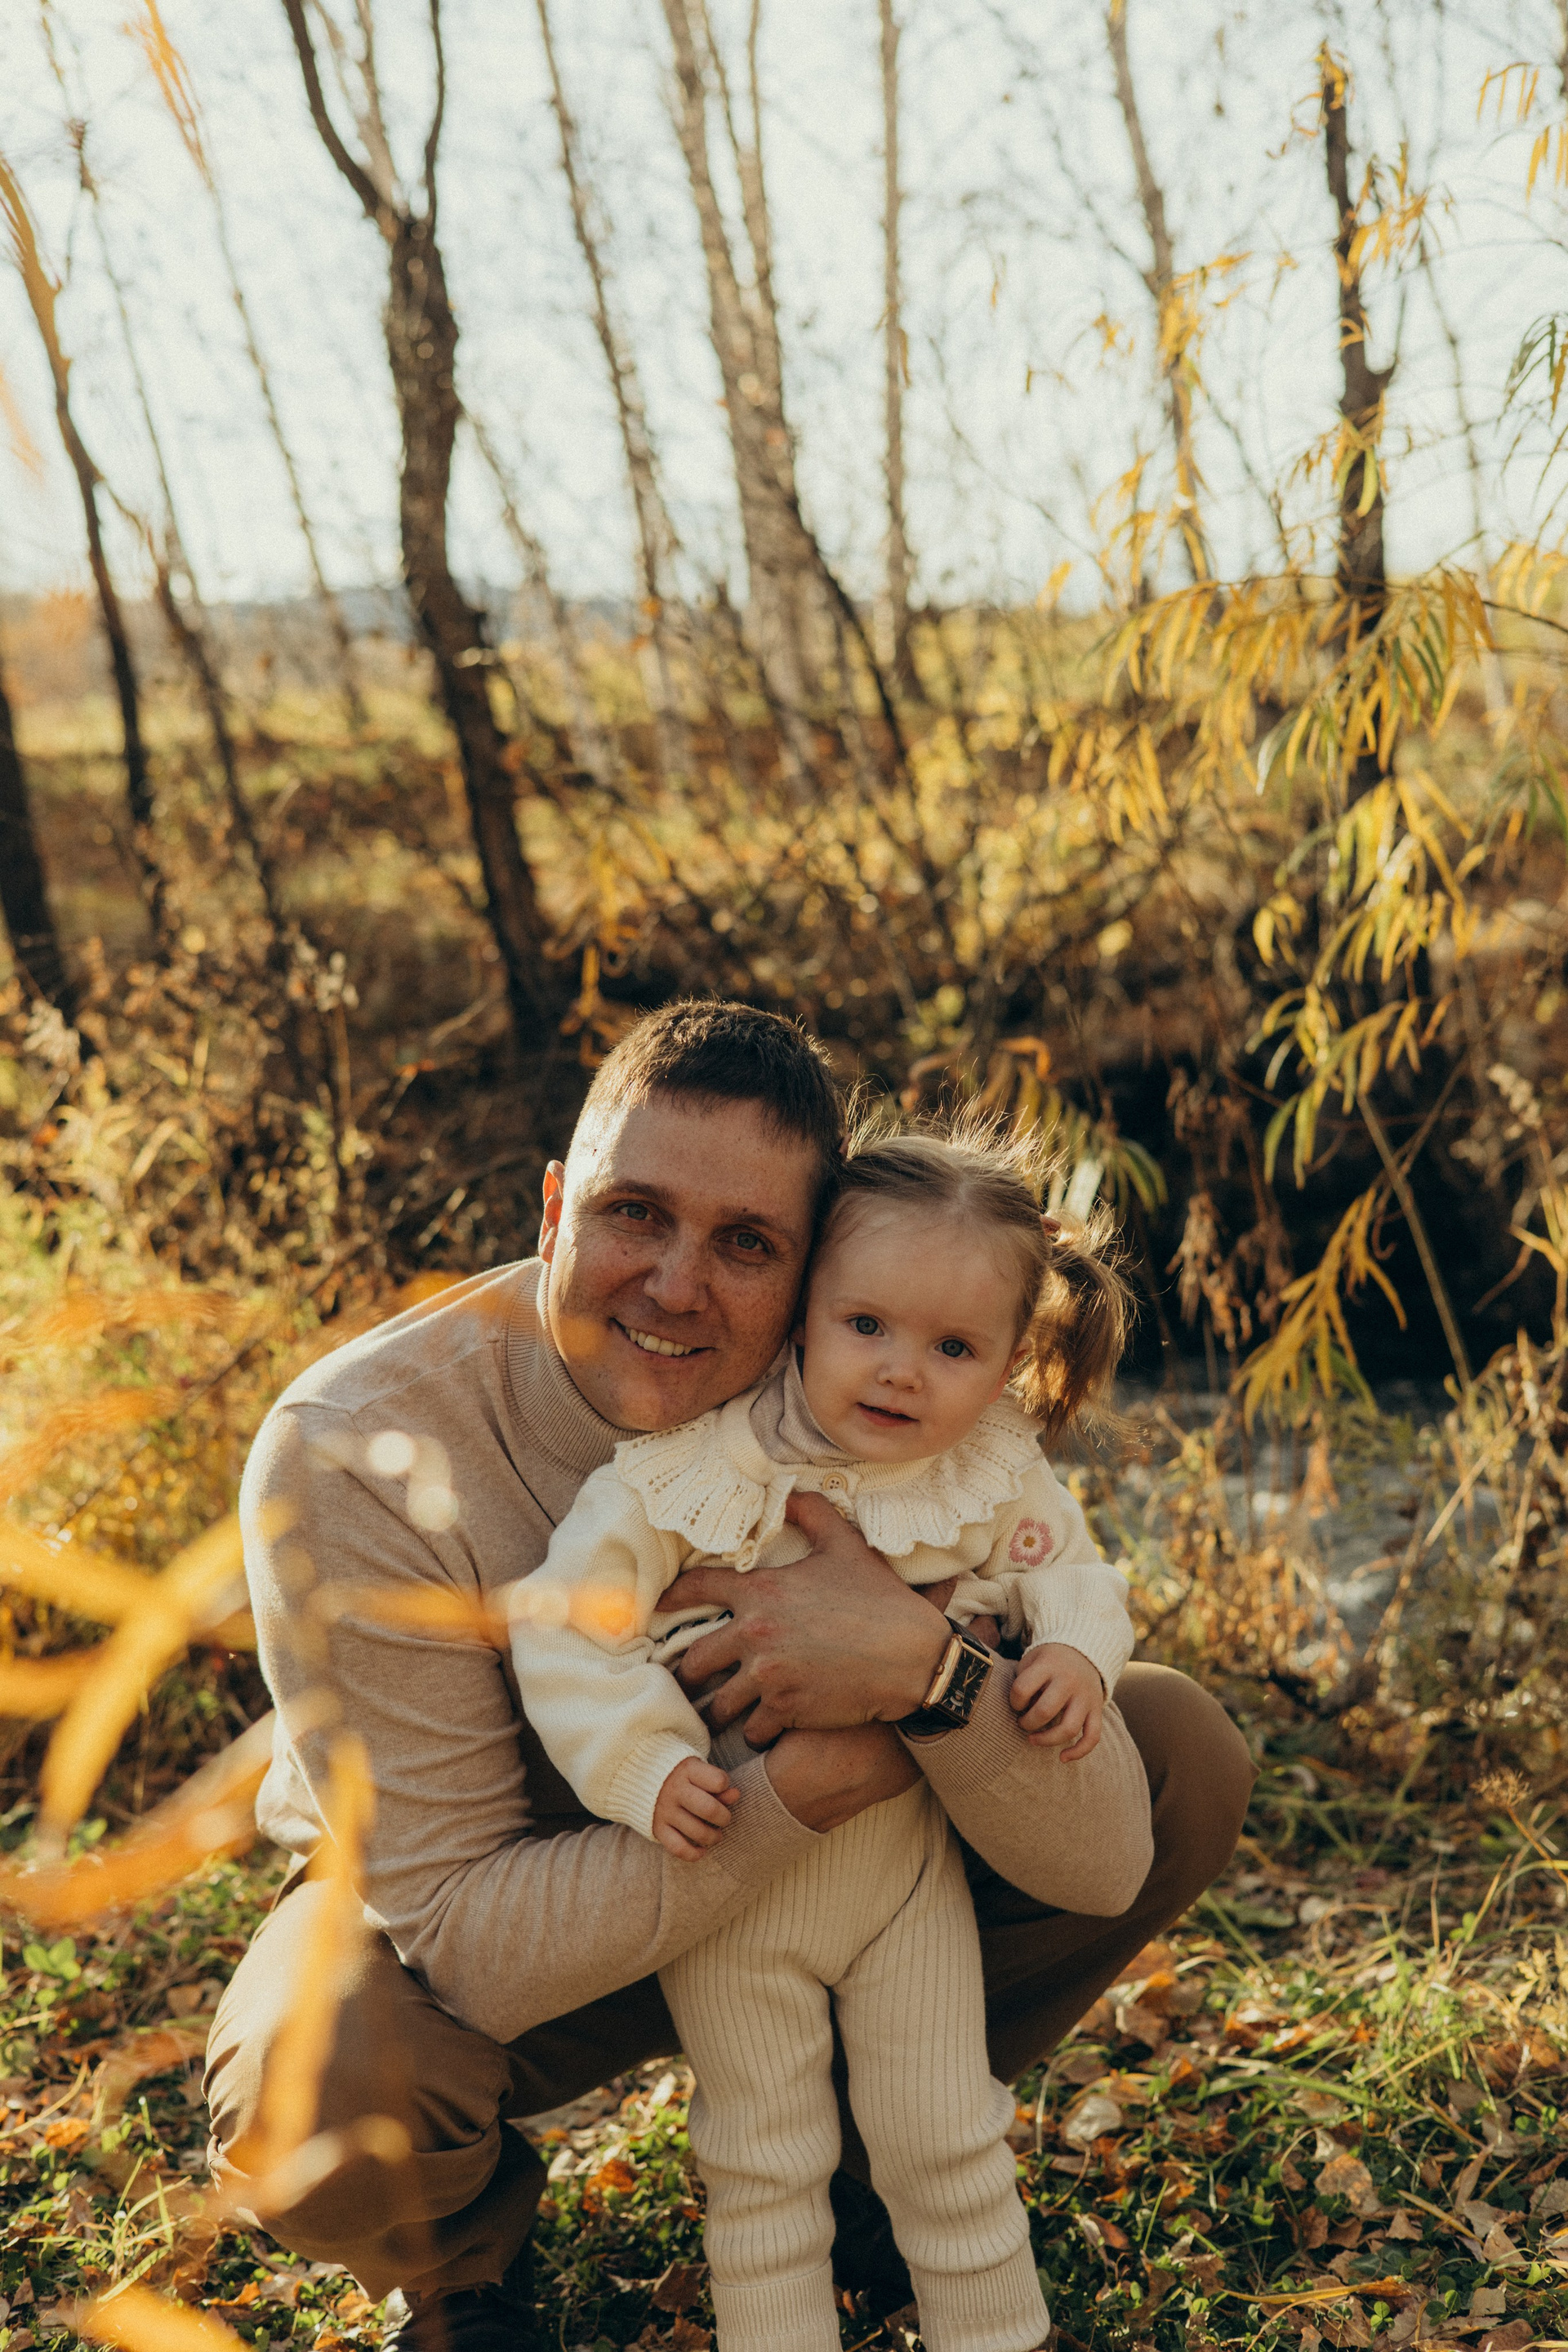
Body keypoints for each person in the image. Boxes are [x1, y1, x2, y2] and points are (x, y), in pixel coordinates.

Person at [205, 1000, 1257, 2352]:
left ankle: (884, 2156)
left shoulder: (906, 1409)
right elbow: (465, 1936)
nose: (676, 1286)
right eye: (633, 1214)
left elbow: (1104, 1851)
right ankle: (461, 2275)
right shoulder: (356, 1447)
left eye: (748, 1243)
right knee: (309, 2080)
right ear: (554, 1210)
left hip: (870, 1886)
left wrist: (923, 1672)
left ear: (819, 1271)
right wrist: (832, 1764)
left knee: (1171, 1748)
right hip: (517, 1894)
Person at [513, 1124, 1136, 2352]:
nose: (903, 1373)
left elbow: (1070, 1570)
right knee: (763, 2157)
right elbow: (569, 1627)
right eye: (866, 1326)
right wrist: (643, 1764)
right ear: (805, 1310)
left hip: (906, 1878)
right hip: (733, 1877)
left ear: (1011, 1360)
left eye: (953, 1348)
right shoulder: (689, 1475)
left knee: (945, 2128)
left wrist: (1073, 1648)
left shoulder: (989, 1474)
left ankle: (1000, 2337)